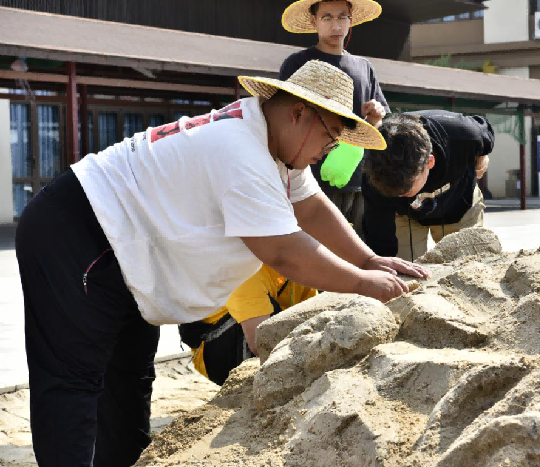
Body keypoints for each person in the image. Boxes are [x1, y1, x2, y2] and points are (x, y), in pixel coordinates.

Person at [15, 60, 427, 467]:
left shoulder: (274, 145)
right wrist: (362, 282)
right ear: (298, 113)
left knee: (128, 376)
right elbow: (283, 250)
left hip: (130, 248)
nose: (327, 153)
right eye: (330, 139)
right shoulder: (241, 148)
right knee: (74, 381)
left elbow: (311, 208)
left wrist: (369, 259)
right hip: (80, 230)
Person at [280, 0, 389, 233]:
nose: (336, 25)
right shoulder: (298, 63)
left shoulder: (364, 67)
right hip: (308, 178)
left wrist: (376, 118)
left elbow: (380, 124)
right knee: (315, 245)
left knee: (359, 244)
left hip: (359, 177)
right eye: (327, 17)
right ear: (314, 21)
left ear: (351, 20)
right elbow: (282, 120)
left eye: (342, 17)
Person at [362, 111, 494, 261]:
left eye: (406, 188)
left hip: (459, 202)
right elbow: (379, 233)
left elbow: (485, 130)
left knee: (467, 263)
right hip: (405, 215)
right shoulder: (374, 171)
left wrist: (481, 155)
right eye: (395, 192)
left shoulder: (463, 134)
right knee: (403, 266)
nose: (400, 194)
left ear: (429, 162)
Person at [178, 265, 316, 385]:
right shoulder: (246, 269)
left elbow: (314, 317)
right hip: (214, 350)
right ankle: (258, 389)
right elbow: (260, 343)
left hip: (262, 330)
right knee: (266, 320)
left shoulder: (301, 265)